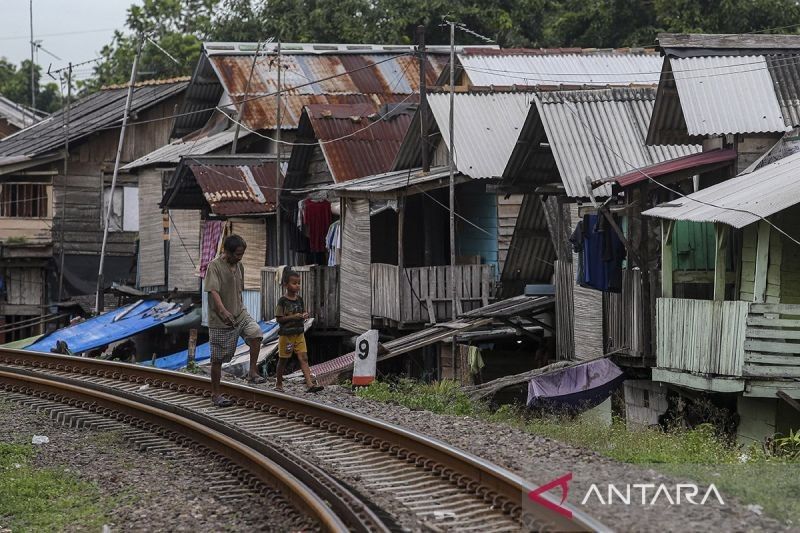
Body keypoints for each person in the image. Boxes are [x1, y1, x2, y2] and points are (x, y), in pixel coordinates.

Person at [204, 234, 266, 407]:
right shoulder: (214, 266)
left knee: (256, 334)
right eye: (237, 254)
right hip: (220, 320)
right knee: (217, 359)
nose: (240, 257)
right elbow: (213, 291)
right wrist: (223, 311)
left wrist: (238, 308)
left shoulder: (239, 266)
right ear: (227, 252)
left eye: (242, 254)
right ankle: (216, 394)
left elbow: (239, 290)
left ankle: (252, 372)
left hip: (240, 313)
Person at [274, 270, 323, 393]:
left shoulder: (299, 299)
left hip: (299, 333)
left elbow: (303, 311)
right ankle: (278, 382)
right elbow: (279, 318)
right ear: (286, 284)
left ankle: (310, 384)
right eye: (294, 283)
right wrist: (293, 317)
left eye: (299, 283)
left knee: (304, 357)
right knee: (283, 359)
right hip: (286, 335)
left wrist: (304, 315)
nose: (297, 286)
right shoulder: (282, 301)